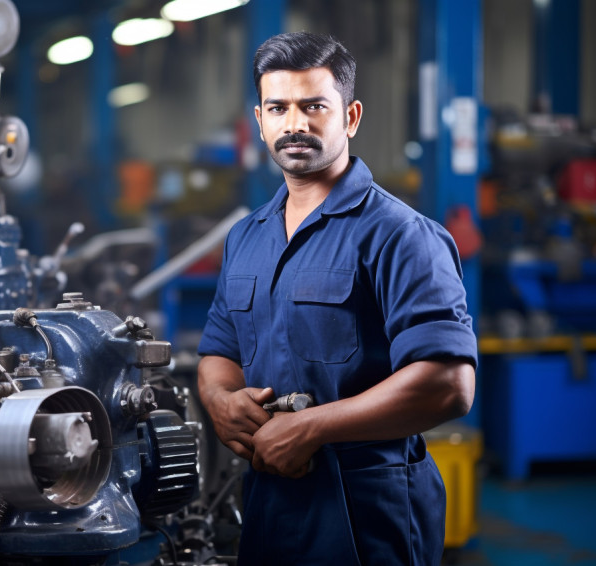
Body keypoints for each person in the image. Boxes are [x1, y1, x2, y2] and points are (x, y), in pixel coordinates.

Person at [197, 31, 477, 565]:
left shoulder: (400, 235)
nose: (294, 124)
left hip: (366, 507)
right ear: (260, 121)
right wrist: (220, 402)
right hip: (268, 500)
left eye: (314, 106)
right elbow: (219, 351)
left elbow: (449, 384)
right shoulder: (247, 237)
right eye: (278, 108)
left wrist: (311, 428)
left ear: (349, 117)